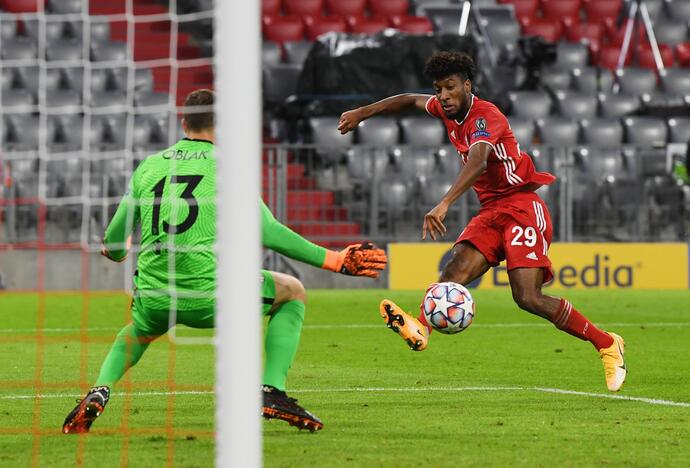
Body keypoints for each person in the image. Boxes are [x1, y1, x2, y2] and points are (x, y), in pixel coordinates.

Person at [62, 89, 388, 434]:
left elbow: (113, 243)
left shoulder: (150, 166)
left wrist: (119, 250)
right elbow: (268, 231)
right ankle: (271, 390)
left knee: (137, 332)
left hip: (155, 295)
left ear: (183, 121)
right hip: (211, 298)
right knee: (292, 292)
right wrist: (335, 260)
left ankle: (101, 388)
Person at [337, 52, 627, 392]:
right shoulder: (445, 109)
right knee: (453, 273)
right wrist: (362, 113)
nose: (443, 96)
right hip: (491, 211)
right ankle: (421, 329)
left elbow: (478, 159)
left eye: (450, 87)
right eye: (439, 89)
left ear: (467, 85)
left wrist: (445, 202)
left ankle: (607, 343)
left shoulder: (485, 116)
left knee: (527, 297)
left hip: (521, 206)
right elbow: (407, 100)